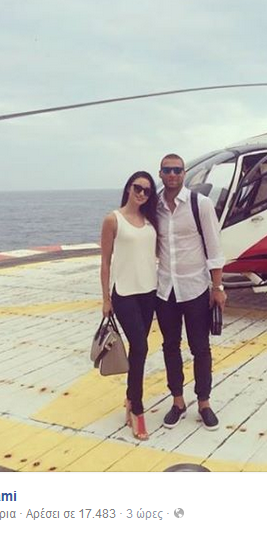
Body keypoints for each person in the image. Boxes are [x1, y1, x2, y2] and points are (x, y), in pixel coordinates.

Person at [156, 153, 227, 430]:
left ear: (184, 173)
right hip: (165, 289)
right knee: (170, 346)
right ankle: (177, 401)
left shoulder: (201, 204)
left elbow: (214, 248)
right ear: (160, 174)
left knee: (200, 348)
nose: (172, 174)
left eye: (177, 170)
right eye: (167, 170)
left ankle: (204, 402)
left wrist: (217, 287)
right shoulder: (155, 207)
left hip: (195, 287)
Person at [100, 171, 158, 440]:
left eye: (147, 190)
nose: (142, 193)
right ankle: (137, 409)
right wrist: (106, 299)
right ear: (128, 188)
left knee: (138, 350)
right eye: (138, 188)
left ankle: (129, 397)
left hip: (149, 292)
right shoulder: (113, 220)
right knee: (141, 347)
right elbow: (105, 262)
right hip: (124, 294)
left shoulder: (151, 221)